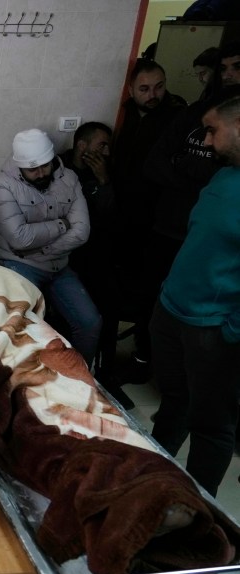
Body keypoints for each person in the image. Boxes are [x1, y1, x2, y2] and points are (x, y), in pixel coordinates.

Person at [149, 88, 240, 497]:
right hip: (171, 309)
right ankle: (151, 481)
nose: (205, 142)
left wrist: (231, 330)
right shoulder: (224, 174)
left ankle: (198, 510)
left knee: (212, 425)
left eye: (211, 131)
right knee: (174, 402)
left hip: (212, 327)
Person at [0, 128, 100, 366]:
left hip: (58, 264)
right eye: (32, 169)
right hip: (17, 263)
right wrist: (62, 224)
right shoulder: (2, 187)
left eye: (45, 166)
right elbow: (19, 239)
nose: (40, 173)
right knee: (21, 328)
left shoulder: (69, 179)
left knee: (90, 322)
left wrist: (42, 249)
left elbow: (81, 232)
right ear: (20, 167)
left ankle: (78, 381)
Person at [111, 58, 186, 381]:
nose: (153, 94)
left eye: (159, 86)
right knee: (122, 284)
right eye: (144, 88)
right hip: (124, 216)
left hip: (157, 222)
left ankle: (145, 358)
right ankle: (125, 354)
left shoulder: (176, 119)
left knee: (151, 291)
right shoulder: (125, 114)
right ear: (131, 89)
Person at [58, 122, 130, 405]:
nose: (106, 151)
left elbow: (112, 219)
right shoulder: (58, 170)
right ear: (81, 146)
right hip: (64, 254)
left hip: (96, 254)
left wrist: (103, 183)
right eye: (101, 145)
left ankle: (105, 375)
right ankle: (68, 370)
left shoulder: (105, 175)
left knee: (111, 302)